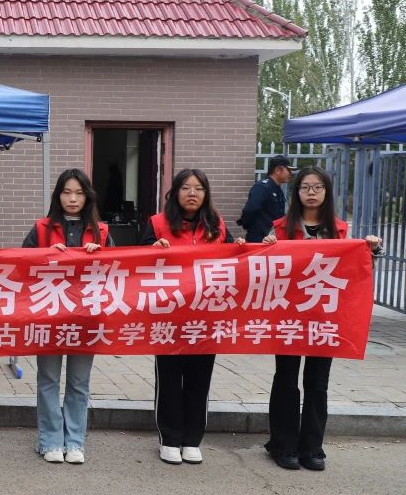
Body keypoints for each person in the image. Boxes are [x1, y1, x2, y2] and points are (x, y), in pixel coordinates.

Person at [262, 166, 383, 471]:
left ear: (327, 192)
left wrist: (370, 251)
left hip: (325, 318)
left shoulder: (340, 230)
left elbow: (356, 271)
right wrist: (263, 249)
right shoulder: (279, 229)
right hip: (288, 316)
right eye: (305, 187)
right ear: (297, 192)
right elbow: (263, 268)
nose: (311, 193)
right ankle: (283, 445)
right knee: (286, 379)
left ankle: (312, 447)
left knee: (318, 382)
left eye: (318, 187)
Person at [140, 168, 244, 466]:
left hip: (206, 318)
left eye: (198, 188)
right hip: (169, 318)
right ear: (175, 192)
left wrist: (241, 248)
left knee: (200, 379)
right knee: (169, 379)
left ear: (206, 194)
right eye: (186, 187)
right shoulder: (157, 224)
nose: (192, 193)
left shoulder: (217, 225)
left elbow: (235, 261)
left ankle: (192, 439)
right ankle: (169, 438)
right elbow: (137, 264)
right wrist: (152, 250)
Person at [21, 169, 110, 465]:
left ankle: (74, 442)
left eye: (79, 193)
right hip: (49, 316)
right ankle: (49, 441)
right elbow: (20, 267)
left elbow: (118, 274)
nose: (73, 199)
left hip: (87, 318)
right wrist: (44, 256)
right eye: (67, 192)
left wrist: (100, 256)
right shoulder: (41, 229)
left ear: (88, 197)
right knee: (48, 379)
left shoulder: (102, 231)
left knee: (79, 382)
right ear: (58, 196)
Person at [238, 155, 295, 243]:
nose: (290, 174)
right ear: (277, 170)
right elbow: (250, 210)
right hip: (259, 239)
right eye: (288, 170)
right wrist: (251, 227)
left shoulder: (278, 189)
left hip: (273, 238)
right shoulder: (262, 187)